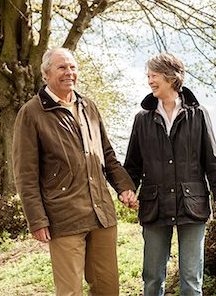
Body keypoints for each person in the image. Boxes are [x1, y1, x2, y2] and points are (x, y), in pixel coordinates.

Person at [13, 47, 137, 296]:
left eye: (72, 67)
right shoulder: (32, 113)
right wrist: (37, 220)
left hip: (101, 213)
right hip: (64, 217)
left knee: (108, 288)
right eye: (61, 67)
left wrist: (125, 187)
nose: (69, 72)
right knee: (70, 291)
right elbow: (25, 174)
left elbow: (107, 155)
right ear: (46, 73)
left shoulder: (88, 107)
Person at [124, 52, 216, 296]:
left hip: (191, 204)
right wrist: (128, 190)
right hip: (155, 206)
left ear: (171, 77)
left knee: (192, 279)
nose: (149, 81)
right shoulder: (142, 119)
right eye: (148, 76)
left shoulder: (199, 114)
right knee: (152, 277)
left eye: (153, 75)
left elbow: (213, 161)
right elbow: (132, 164)